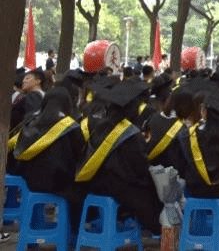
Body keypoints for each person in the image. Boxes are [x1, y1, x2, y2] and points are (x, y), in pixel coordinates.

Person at [75, 80, 163, 234]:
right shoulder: (131, 133)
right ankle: (157, 229)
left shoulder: (100, 126)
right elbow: (140, 166)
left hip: (96, 184)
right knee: (152, 191)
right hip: (120, 188)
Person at [9, 86, 85, 228]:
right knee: (81, 189)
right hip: (59, 183)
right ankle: (73, 231)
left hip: (30, 182)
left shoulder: (31, 122)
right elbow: (80, 154)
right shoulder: (70, 126)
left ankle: (34, 225)